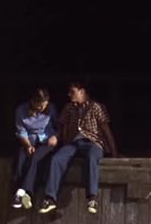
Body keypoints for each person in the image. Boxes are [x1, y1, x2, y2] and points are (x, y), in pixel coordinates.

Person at [38, 82, 118, 215]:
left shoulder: (96, 107)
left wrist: (114, 151)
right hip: (74, 143)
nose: (69, 95)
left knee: (92, 157)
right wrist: (56, 138)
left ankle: (92, 197)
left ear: (82, 91)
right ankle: (50, 198)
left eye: (72, 92)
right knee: (57, 158)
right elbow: (61, 128)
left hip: (93, 142)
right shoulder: (69, 108)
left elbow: (106, 130)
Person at [11, 88, 59, 210]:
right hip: (29, 140)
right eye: (40, 105)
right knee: (21, 159)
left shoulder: (51, 109)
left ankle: (21, 192)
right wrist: (27, 145)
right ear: (32, 102)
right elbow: (21, 131)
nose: (42, 108)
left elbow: (60, 126)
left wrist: (55, 137)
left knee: (35, 158)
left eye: (44, 105)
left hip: (46, 141)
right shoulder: (21, 111)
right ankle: (23, 193)